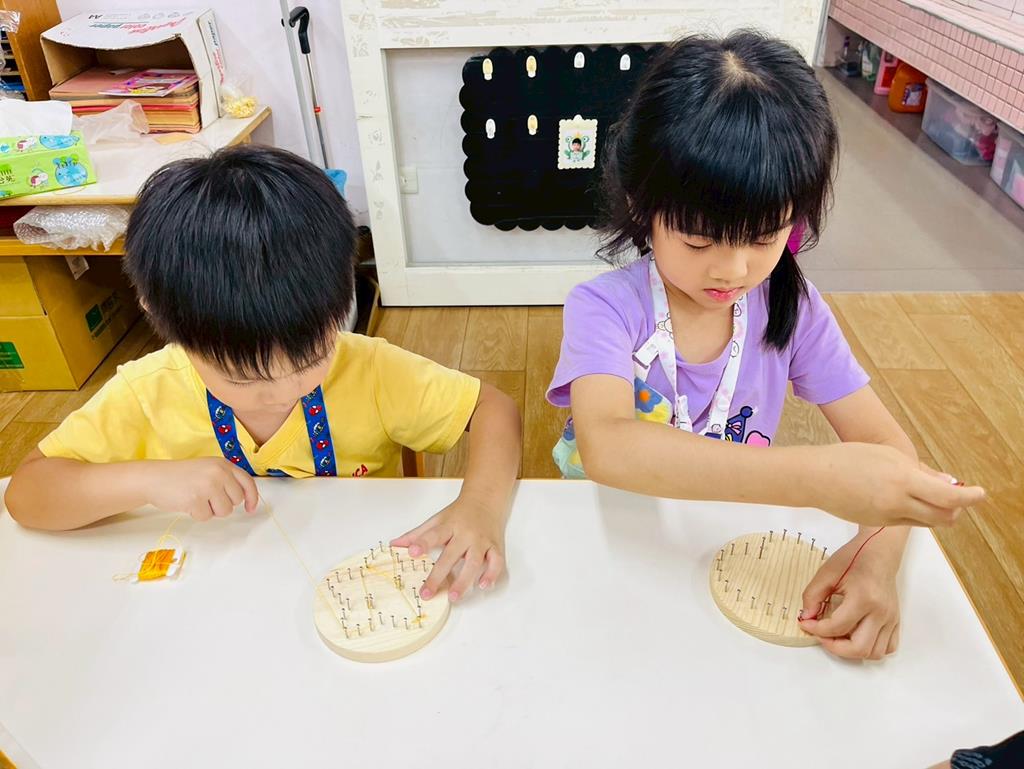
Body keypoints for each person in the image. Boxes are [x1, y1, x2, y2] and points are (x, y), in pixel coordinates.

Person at [546, 31, 984, 658]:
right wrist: (816, 480)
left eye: (763, 237)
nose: (733, 270)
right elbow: (609, 447)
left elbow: (890, 450)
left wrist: (875, 557)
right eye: (699, 241)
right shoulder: (605, 309)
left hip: (729, 547)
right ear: (643, 206)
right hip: (612, 540)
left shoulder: (790, 307)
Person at [5, 145, 522, 603]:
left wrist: (480, 506)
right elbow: (27, 495)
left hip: (366, 581)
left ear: (342, 300)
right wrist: (146, 480)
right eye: (243, 379)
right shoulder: (148, 392)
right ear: (160, 318)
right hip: (225, 600)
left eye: (309, 360)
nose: (283, 390)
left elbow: (492, 408)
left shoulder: (371, 370)